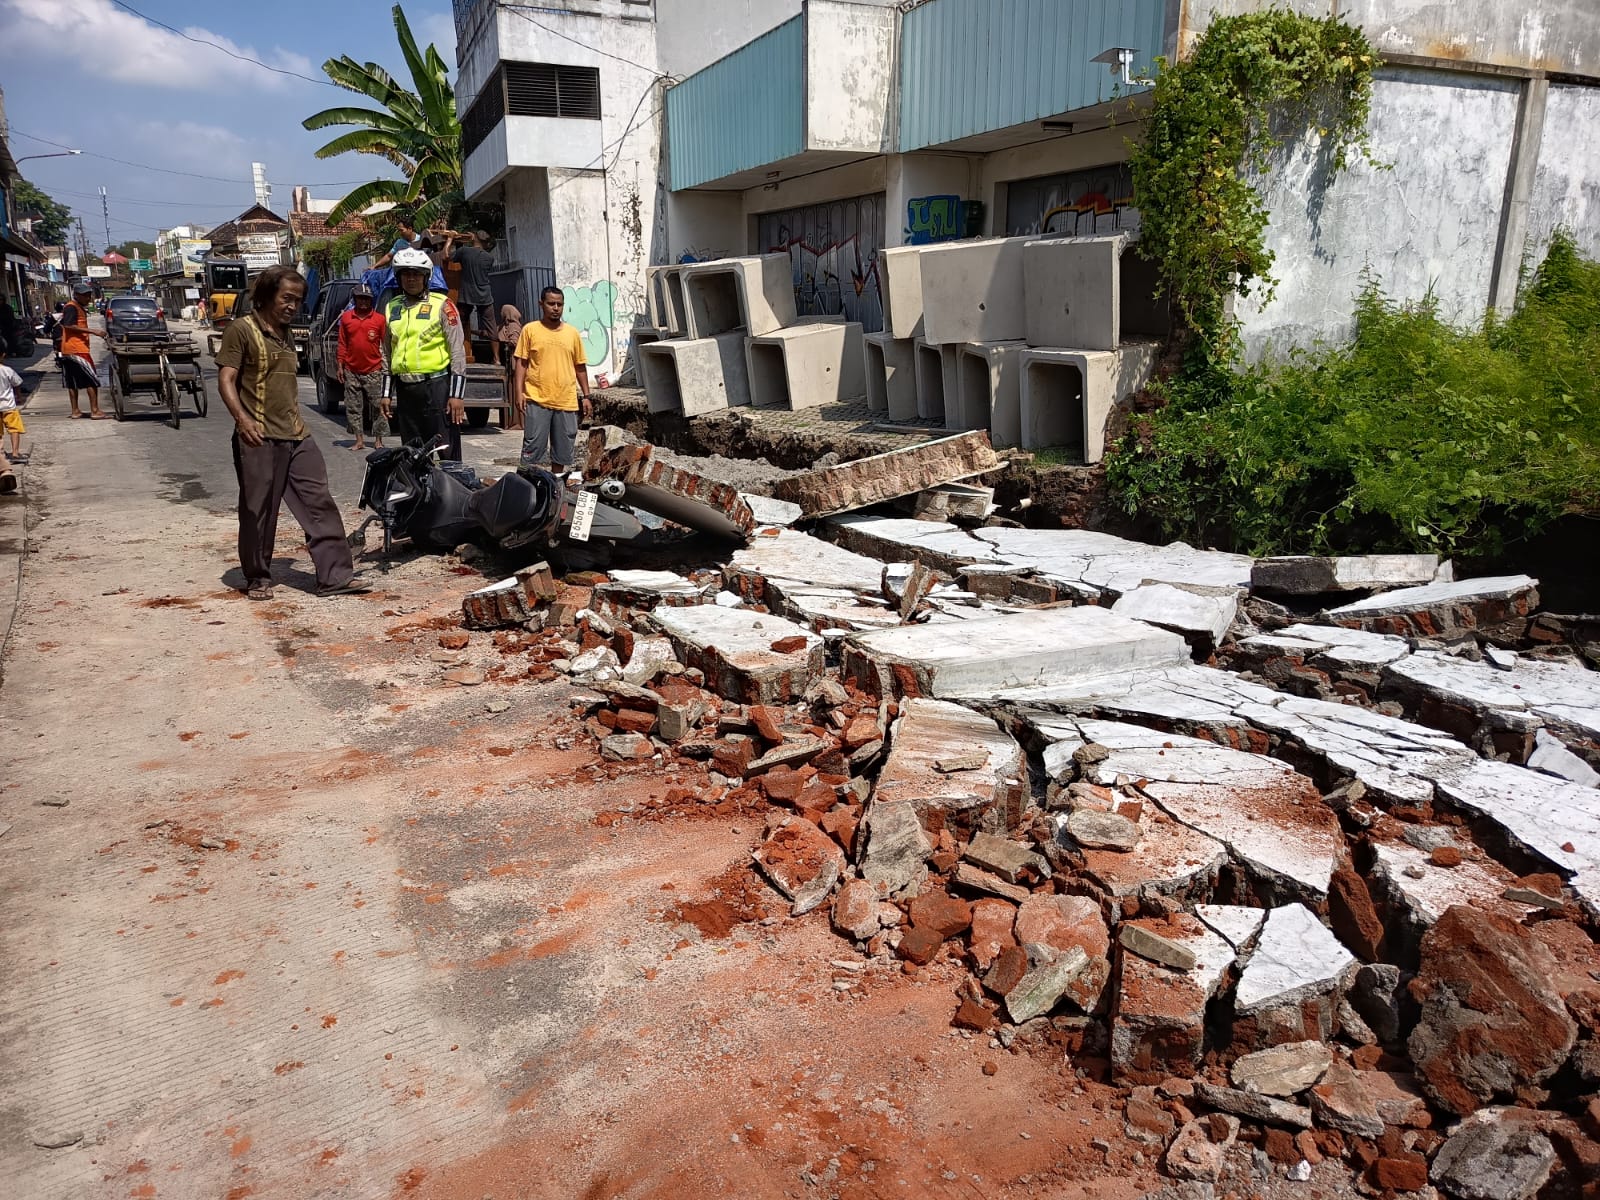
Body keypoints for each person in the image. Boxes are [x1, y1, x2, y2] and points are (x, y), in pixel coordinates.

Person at [215, 265, 367, 601]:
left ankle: (334, 577)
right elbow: (226, 380)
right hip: (258, 434)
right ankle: (257, 576)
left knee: (318, 502)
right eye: (287, 298)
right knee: (258, 509)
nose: (292, 306)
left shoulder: (285, 333)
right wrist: (242, 419)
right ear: (268, 294)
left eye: (298, 301)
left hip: (296, 433)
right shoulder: (243, 330)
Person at [381, 247, 467, 461]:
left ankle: (453, 492)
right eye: (405, 274)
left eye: (416, 274)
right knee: (411, 454)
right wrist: (385, 393)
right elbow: (387, 353)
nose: (411, 279)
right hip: (406, 390)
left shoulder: (443, 305)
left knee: (447, 451)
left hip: (436, 388)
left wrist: (456, 395)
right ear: (399, 278)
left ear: (426, 277)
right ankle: (420, 494)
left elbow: (457, 351)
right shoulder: (392, 307)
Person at [514, 286, 591, 473]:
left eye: (559, 304)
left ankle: (556, 487)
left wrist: (587, 395)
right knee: (532, 449)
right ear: (541, 304)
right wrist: (519, 393)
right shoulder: (530, 330)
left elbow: (580, 366)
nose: (556, 308)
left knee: (563, 452)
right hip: (537, 399)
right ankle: (526, 488)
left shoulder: (572, 334)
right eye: (551, 304)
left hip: (566, 401)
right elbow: (521, 364)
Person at [336, 283, 388, 452]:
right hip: (351, 370)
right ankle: (359, 440)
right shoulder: (346, 318)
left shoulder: (379, 320)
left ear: (371, 300)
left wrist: (386, 369)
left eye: (366, 299)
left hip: (373, 370)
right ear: (355, 300)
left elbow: (385, 345)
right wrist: (340, 365)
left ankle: (378, 440)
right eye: (360, 299)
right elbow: (342, 343)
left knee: (377, 406)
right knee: (353, 407)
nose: (363, 302)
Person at [445, 230, 499, 365]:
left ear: (473, 237)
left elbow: (446, 256)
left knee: (459, 324)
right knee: (491, 327)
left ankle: (459, 353)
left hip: (466, 295)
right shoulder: (489, 258)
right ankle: (497, 359)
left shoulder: (464, 252)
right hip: (485, 295)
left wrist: (450, 239)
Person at [59, 282, 110, 419]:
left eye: (89, 295)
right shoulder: (71, 307)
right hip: (77, 349)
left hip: (69, 349)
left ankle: (75, 411)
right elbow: (69, 326)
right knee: (92, 380)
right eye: (85, 296)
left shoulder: (77, 307)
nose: (88, 298)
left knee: (72, 381)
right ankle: (95, 410)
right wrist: (93, 331)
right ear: (77, 295)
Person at [496, 303, 524, 428]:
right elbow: (495, 334)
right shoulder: (505, 326)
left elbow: (515, 342)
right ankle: (509, 421)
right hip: (507, 363)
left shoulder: (514, 327)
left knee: (515, 391)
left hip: (513, 362)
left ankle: (517, 421)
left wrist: (506, 343)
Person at [0, 361, 27, 460]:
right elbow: (17, 383)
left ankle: (1, 454)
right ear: (3, 355)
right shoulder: (7, 370)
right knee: (14, 429)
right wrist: (19, 396)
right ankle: (15, 453)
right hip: (8, 405)